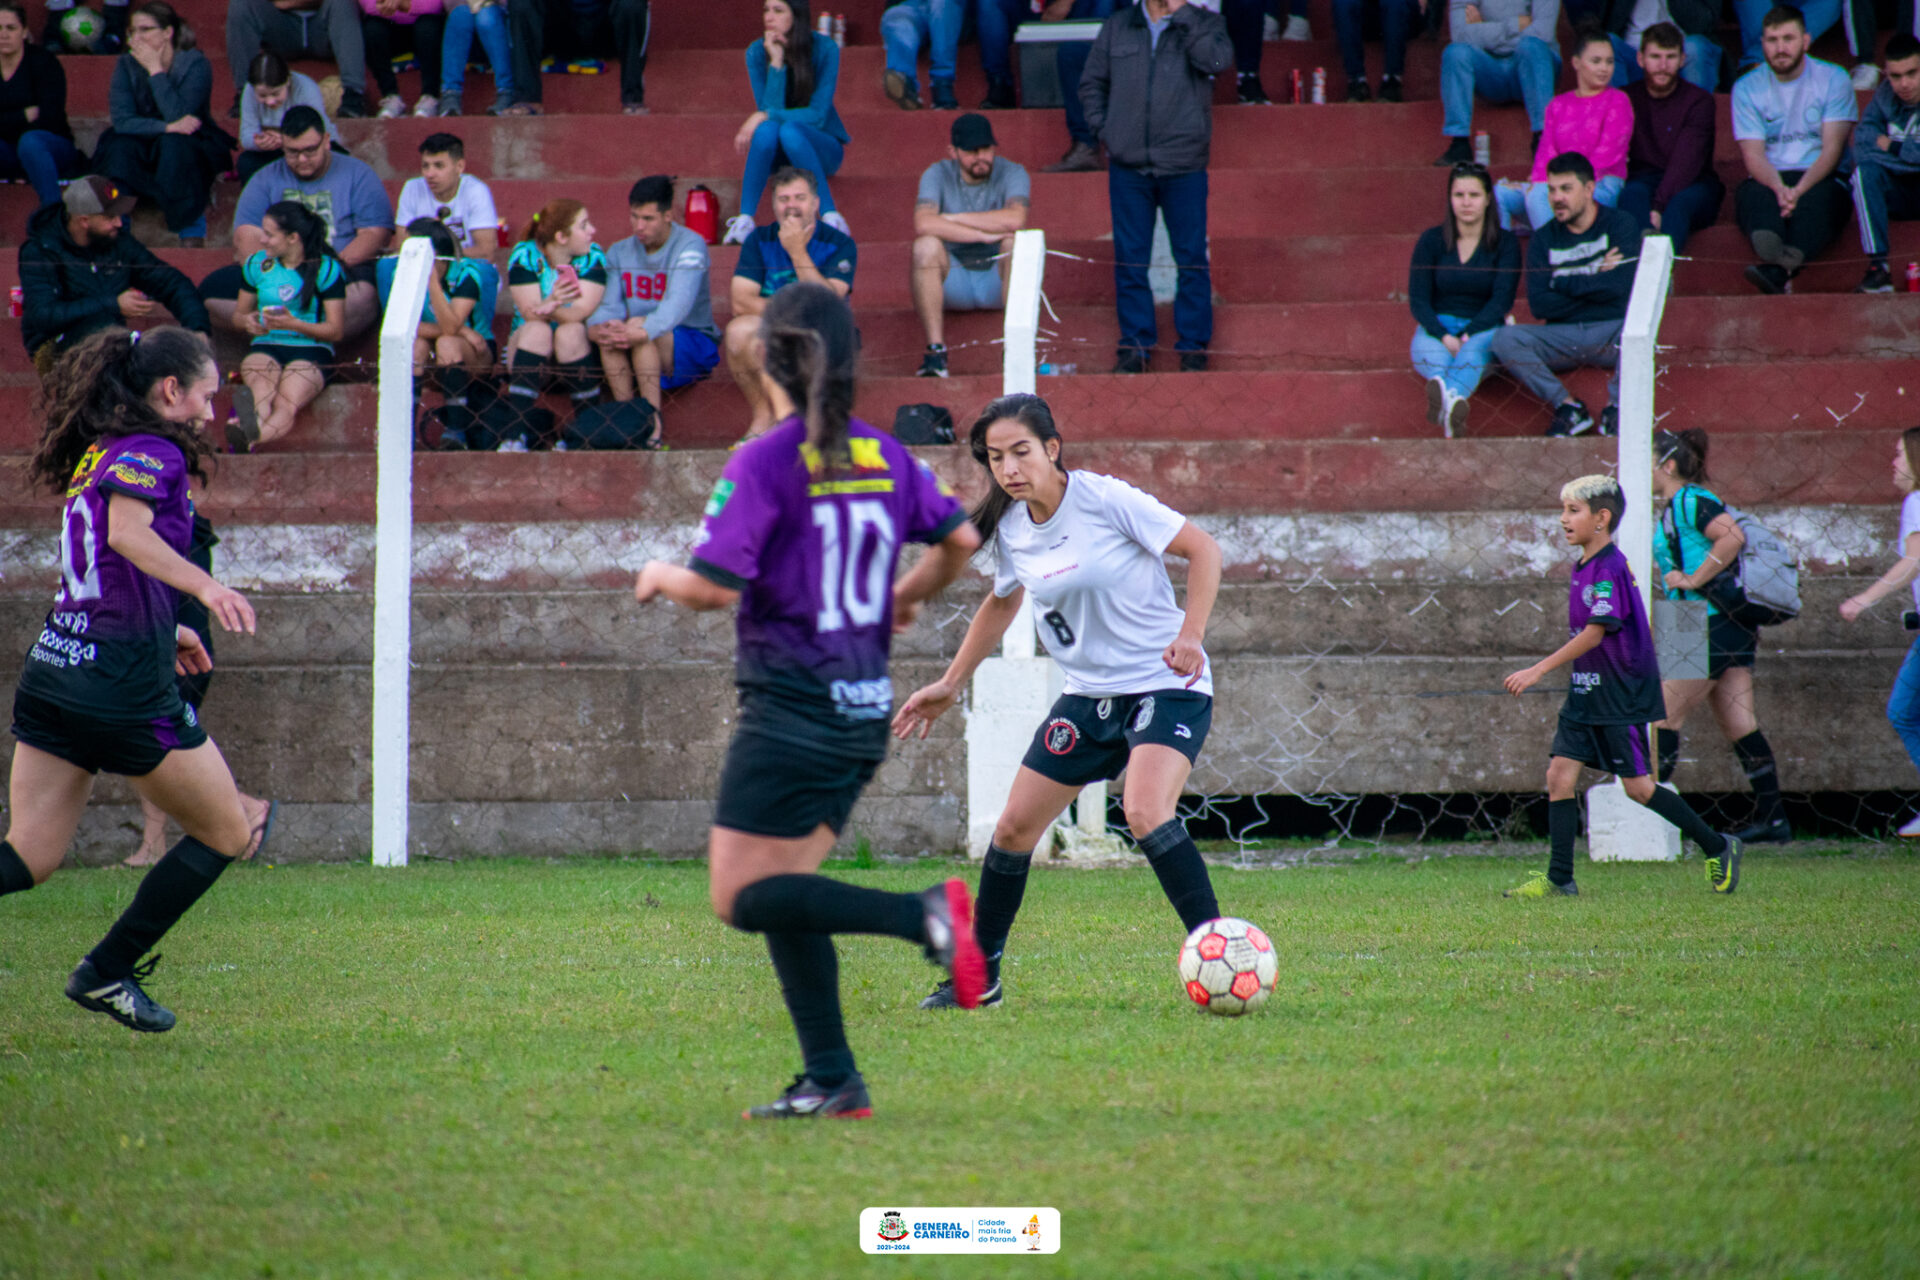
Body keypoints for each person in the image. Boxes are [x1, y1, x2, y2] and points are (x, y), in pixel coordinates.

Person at [630, 282, 986, 1119]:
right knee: (787, 884)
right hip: (862, 713)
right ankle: (833, 1078)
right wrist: (909, 593)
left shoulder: (764, 459)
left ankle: (926, 917)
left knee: (739, 897)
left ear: (770, 358)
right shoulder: (885, 454)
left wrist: (657, 576)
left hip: (792, 709)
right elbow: (962, 539)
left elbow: (714, 588)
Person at [894, 393, 1230, 1009]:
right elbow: (1001, 602)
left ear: (1052, 449)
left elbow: (1203, 549)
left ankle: (1221, 954)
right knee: (1015, 828)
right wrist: (951, 683)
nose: (1010, 468)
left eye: (1021, 451)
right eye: (996, 458)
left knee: (1145, 810)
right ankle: (979, 979)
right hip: (1089, 696)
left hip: (1164, 682)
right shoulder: (1010, 528)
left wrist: (1191, 636)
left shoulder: (1106, 499)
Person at [0, 325, 261, 1033]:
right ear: (171, 390)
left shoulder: (103, 448)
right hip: (118, 683)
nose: (211, 412)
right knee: (225, 833)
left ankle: (106, 972)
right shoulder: (156, 449)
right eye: (207, 395)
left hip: (57, 666)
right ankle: (106, 970)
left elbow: (104, 566)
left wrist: (162, 625)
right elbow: (127, 537)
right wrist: (204, 591)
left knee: (27, 855)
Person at [1501, 474, 1742, 898]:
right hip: (1586, 690)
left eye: (1573, 510)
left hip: (1618, 693)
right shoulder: (1584, 566)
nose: (1563, 519)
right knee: (1559, 776)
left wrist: (1538, 670)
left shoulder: (1609, 567)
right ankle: (1560, 879)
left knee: (1639, 788)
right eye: (1563, 509)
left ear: (1602, 518)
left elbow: (1596, 632)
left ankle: (1717, 845)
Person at [1647, 428, 1791, 846]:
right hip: (1689, 618)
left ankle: (1649, 814)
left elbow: (1731, 537)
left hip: (1703, 618)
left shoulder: (1692, 499)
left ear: (1667, 465)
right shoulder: (1675, 505)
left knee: (1662, 716)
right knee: (1739, 722)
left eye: (1648, 459)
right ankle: (1774, 820)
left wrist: (1693, 578)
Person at [1081, 0, 1232, 374]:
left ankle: (1194, 347)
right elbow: (1091, 83)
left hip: (1184, 165)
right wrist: (1107, 132)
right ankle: (1135, 347)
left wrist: (1182, 17)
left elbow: (1216, 63)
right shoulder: (1118, 26)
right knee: (1131, 260)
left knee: (1191, 259)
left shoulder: (1204, 22)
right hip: (1129, 166)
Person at [126, 513, 277, 868]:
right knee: (143, 738)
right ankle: (154, 844)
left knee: (152, 737)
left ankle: (241, 809)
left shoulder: (160, 508)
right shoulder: (148, 506)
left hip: (181, 654)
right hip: (164, 645)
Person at [200, 106, 394, 340]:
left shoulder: (358, 174)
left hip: (337, 272)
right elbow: (247, 236)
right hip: (276, 273)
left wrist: (326, 272)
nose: (302, 159)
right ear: (282, 145)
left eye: (310, 150)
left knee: (363, 298)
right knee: (208, 292)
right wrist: (274, 278)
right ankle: (293, 333)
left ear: (326, 141)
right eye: (292, 152)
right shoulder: (264, 178)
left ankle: (299, 337)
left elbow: (374, 234)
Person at [1491, 151, 1640, 438]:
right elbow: (1539, 305)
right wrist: (1598, 275)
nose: (1557, 197)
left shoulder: (1620, 225)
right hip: (1562, 338)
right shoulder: (1544, 238)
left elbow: (1620, 288)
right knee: (1504, 338)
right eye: (1552, 189)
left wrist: (1562, 283)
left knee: (1643, 331)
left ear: (1589, 189)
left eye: (1566, 189)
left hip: (1612, 332)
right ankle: (1569, 407)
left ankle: (1615, 410)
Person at [19, 176, 210, 377]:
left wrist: (197, 329)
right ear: (84, 220)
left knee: (139, 351)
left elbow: (171, 281)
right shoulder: (41, 250)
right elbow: (44, 316)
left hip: (111, 344)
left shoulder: (118, 243)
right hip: (53, 347)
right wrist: (112, 304)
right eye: (110, 217)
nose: (119, 223)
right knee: (110, 343)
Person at [1731, 6, 1856, 295]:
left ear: (1806, 41)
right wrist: (1778, 188)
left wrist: (1797, 192)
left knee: (1823, 200)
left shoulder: (1834, 78)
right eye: (1772, 40)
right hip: (1770, 176)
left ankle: (1778, 268)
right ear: (1762, 44)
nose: (1780, 48)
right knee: (1752, 197)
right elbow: (1753, 156)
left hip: (1820, 175)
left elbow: (1832, 150)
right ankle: (1775, 250)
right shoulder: (1746, 88)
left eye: (1788, 38)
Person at [725, 167, 856, 437]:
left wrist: (797, 251)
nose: (791, 206)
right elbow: (740, 302)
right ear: (773, 204)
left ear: (816, 204)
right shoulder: (759, 240)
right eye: (784, 199)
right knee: (738, 332)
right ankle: (764, 417)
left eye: (799, 197)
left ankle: (809, 424)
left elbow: (828, 304)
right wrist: (791, 315)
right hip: (776, 326)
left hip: (823, 333)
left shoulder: (840, 244)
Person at [92, 2, 232, 246]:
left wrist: (155, 70)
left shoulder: (195, 64)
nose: (137, 37)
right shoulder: (125, 65)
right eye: (132, 31)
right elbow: (123, 120)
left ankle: (190, 231)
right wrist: (165, 128)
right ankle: (117, 229)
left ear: (168, 33)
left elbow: (180, 116)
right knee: (119, 148)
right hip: (143, 137)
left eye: (145, 29)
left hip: (187, 140)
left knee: (177, 145)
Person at [589, 175, 720, 435]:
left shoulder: (691, 245)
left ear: (668, 215)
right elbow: (609, 307)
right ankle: (626, 421)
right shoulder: (618, 251)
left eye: (648, 219)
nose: (639, 226)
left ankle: (652, 424)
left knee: (640, 328)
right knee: (611, 332)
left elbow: (677, 305)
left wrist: (643, 330)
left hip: (692, 340)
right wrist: (598, 327)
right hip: (641, 338)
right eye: (634, 217)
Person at [1839, 426, 1920, 838]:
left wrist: (1864, 599)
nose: (1894, 462)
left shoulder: (1917, 500)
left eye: (1900, 455)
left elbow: (1913, 561)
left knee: (1904, 712)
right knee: (1903, 711)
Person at [911, 112, 1030, 379]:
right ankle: (935, 352)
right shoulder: (937, 173)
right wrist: (983, 234)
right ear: (953, 151)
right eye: (971, 151)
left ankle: (1015, 350)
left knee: (1014, 243)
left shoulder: (1013, 171)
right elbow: (924, 224)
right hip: (954, 279)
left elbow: (1016, 219)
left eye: (986, 149)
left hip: (996, 280)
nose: (981, 157)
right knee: (925, 246)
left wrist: (954, 218)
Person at [723, 0, 851, 244]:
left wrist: (765, 115)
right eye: (766, 10)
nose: (769, 17)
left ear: (797, 16)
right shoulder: (757, 51)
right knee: (769, 129)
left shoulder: (825, 48)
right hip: (779, 155)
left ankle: (831, 215)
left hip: (822, 148)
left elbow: (818, 114)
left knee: (789, 130)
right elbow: (769, 109)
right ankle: (745, 220)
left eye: (778, 10)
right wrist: (777, 62)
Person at [1409, 163, 1520, 438]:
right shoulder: (1431, 241)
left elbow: (1501, 300)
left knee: (1473, 352)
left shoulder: (1506, 243)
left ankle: (1446, 399)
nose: (1466, 202)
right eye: (1459, 195)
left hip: (1484, 327)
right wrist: (1444, 335)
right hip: (1438, 326)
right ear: (1450, 199)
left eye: (1474, 195)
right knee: (1429, 351)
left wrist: (1469, 333)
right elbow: (1419, 300)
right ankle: (1452, 405)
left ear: (1487, 200)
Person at [229, 201, 346, 452]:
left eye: (269, 235)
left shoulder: (326, 269)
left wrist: (295, 324)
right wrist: (247, 322)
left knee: (286, 401)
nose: (262, 240)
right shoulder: (256, 265)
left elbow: (335, 330)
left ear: (293, 238)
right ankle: (246, 432)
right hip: (266, 344)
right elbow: (238, 315)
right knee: (261, 390)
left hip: (312, 349)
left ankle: (247, 438)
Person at [1495, 32, 1631, 231]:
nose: (1604, 68)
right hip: (1556, 185)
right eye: (1596, 61)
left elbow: (1606, 156)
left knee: (1539, 196)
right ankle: (1501, 259)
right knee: (1500, 194)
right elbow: (1545, 154)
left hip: (1598, 184)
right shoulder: (1558, 104)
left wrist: (1556, 186)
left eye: (1609, 62)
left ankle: (1553, 254)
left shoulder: (1618, 101)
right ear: (1576, 62)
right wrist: (1539, 182)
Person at [502, 197, 607, 447]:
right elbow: (529, 314)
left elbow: (578, 313)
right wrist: (551, 301)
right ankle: (514, 437)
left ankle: (585, 434)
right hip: (529, 356)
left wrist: (550, 307)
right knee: (537, 330)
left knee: (569, 331)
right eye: (584, 225)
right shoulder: (525, 255)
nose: (592, 231)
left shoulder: (593, 256)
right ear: (561, 237)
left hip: (573, 357)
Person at [1616, 23, 1723, 253]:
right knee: (1631, 195)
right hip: (1643, 180)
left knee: (1679, 205)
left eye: (1670, 57)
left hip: (1694, 182)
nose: (1663, 66)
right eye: (1655, 56)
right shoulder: (1625, 98)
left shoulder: (1699, 101)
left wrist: (1658, 206)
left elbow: (1686, 163)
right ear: (1640, 59)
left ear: (1682, 59)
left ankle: (1661, 271)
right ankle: (1647, 255)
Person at [399, 218, 493, 451]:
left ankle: (456, 431)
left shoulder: (467, 273)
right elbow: (405, 325)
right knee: (416, 345)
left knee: (447, 342)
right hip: (436, 348)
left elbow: (450, 328)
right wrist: (464, 330)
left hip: (477, 353)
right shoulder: (401, 273)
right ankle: (405, 431)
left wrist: (432, 282)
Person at [1436, 0, 1561, 167]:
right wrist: (1514, 26)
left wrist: (1481, 29)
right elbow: (1459, 34)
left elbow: (1542, 32)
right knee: (1455, 53)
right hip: (1490, 68)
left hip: (1533, 67)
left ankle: (1543, 138)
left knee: (1531, 46)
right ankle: (1459, 143)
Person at [1851, 34, 1920, 294]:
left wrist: (1894, 147)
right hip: (1898, 190)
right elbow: (1863, 142)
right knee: (1864, 174)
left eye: (1912, 73)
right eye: (1896, 76)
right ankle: (1878, 267)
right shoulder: (1883, 97)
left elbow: (1880, 145)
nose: (1904, 83)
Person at [226, 0, 370, 118]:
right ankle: (245, 95)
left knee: (343, 3)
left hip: (325, 27)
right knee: (241, 5)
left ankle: (353, 97)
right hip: (281, 28)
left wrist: (291, 2)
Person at [0, 2, 81, 210]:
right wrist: (23, 116)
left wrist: (7, 121)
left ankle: (52, 216)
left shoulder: (44, 63)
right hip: (7, 152)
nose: (4, 35)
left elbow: (49, 118)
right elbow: (33, 116)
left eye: (11, 28)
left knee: (31, 142)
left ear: (24, 31)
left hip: (50, 147)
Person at [236, 51, 344, 186]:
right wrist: (258, 142)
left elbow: (316, 131)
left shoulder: (306, 87)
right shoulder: (249, 91)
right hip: (275, 151)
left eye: (276, 93)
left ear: (287, 81)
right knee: (247, 163)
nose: (270, 101)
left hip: (310, 146)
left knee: (337, 162)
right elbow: (246, 135)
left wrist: (287, 140)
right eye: (262, 96)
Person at [393, 131, 500, 257]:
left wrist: (440, 257)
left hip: (466, 269)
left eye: (439, 166)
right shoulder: (412, 188)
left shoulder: (476, 190)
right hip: (424, 270)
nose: (429, 174)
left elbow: (486, 252)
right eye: (425, 166)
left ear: (459, 166)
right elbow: (402, 246)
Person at [1598, 0, 1719, 91]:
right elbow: (1601, 19)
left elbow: (1704, 24)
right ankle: (1620, 118)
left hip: (1681, 58)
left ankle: (1695, 119)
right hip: (1634, 56)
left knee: (1695, 47)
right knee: (1606, 44)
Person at [360, 0, 445, 118]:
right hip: (388, 23)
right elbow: (369, 5)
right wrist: (384, 6)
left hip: (425, 24)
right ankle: (390, 96)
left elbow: (434, 5)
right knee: (372, 29)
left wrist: (402, 3)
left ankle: (430, 97)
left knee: (429, 27)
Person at [438, 0, 518, 116]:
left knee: (486, 17)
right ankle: (450, 93)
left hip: (497, 16)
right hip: (465, 15)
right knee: (460, 16)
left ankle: (506, 90)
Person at [880, 0, 962, 110]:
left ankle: (942, 84)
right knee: (897, 19)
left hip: (949, 11)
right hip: (909, 5)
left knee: (941, 6)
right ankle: (904, 83)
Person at [1333, 0, 1416, 102]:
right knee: (1343, 3)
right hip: (1366, 15)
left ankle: (1392, 81)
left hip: (1402, 12)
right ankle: (1357, 82)